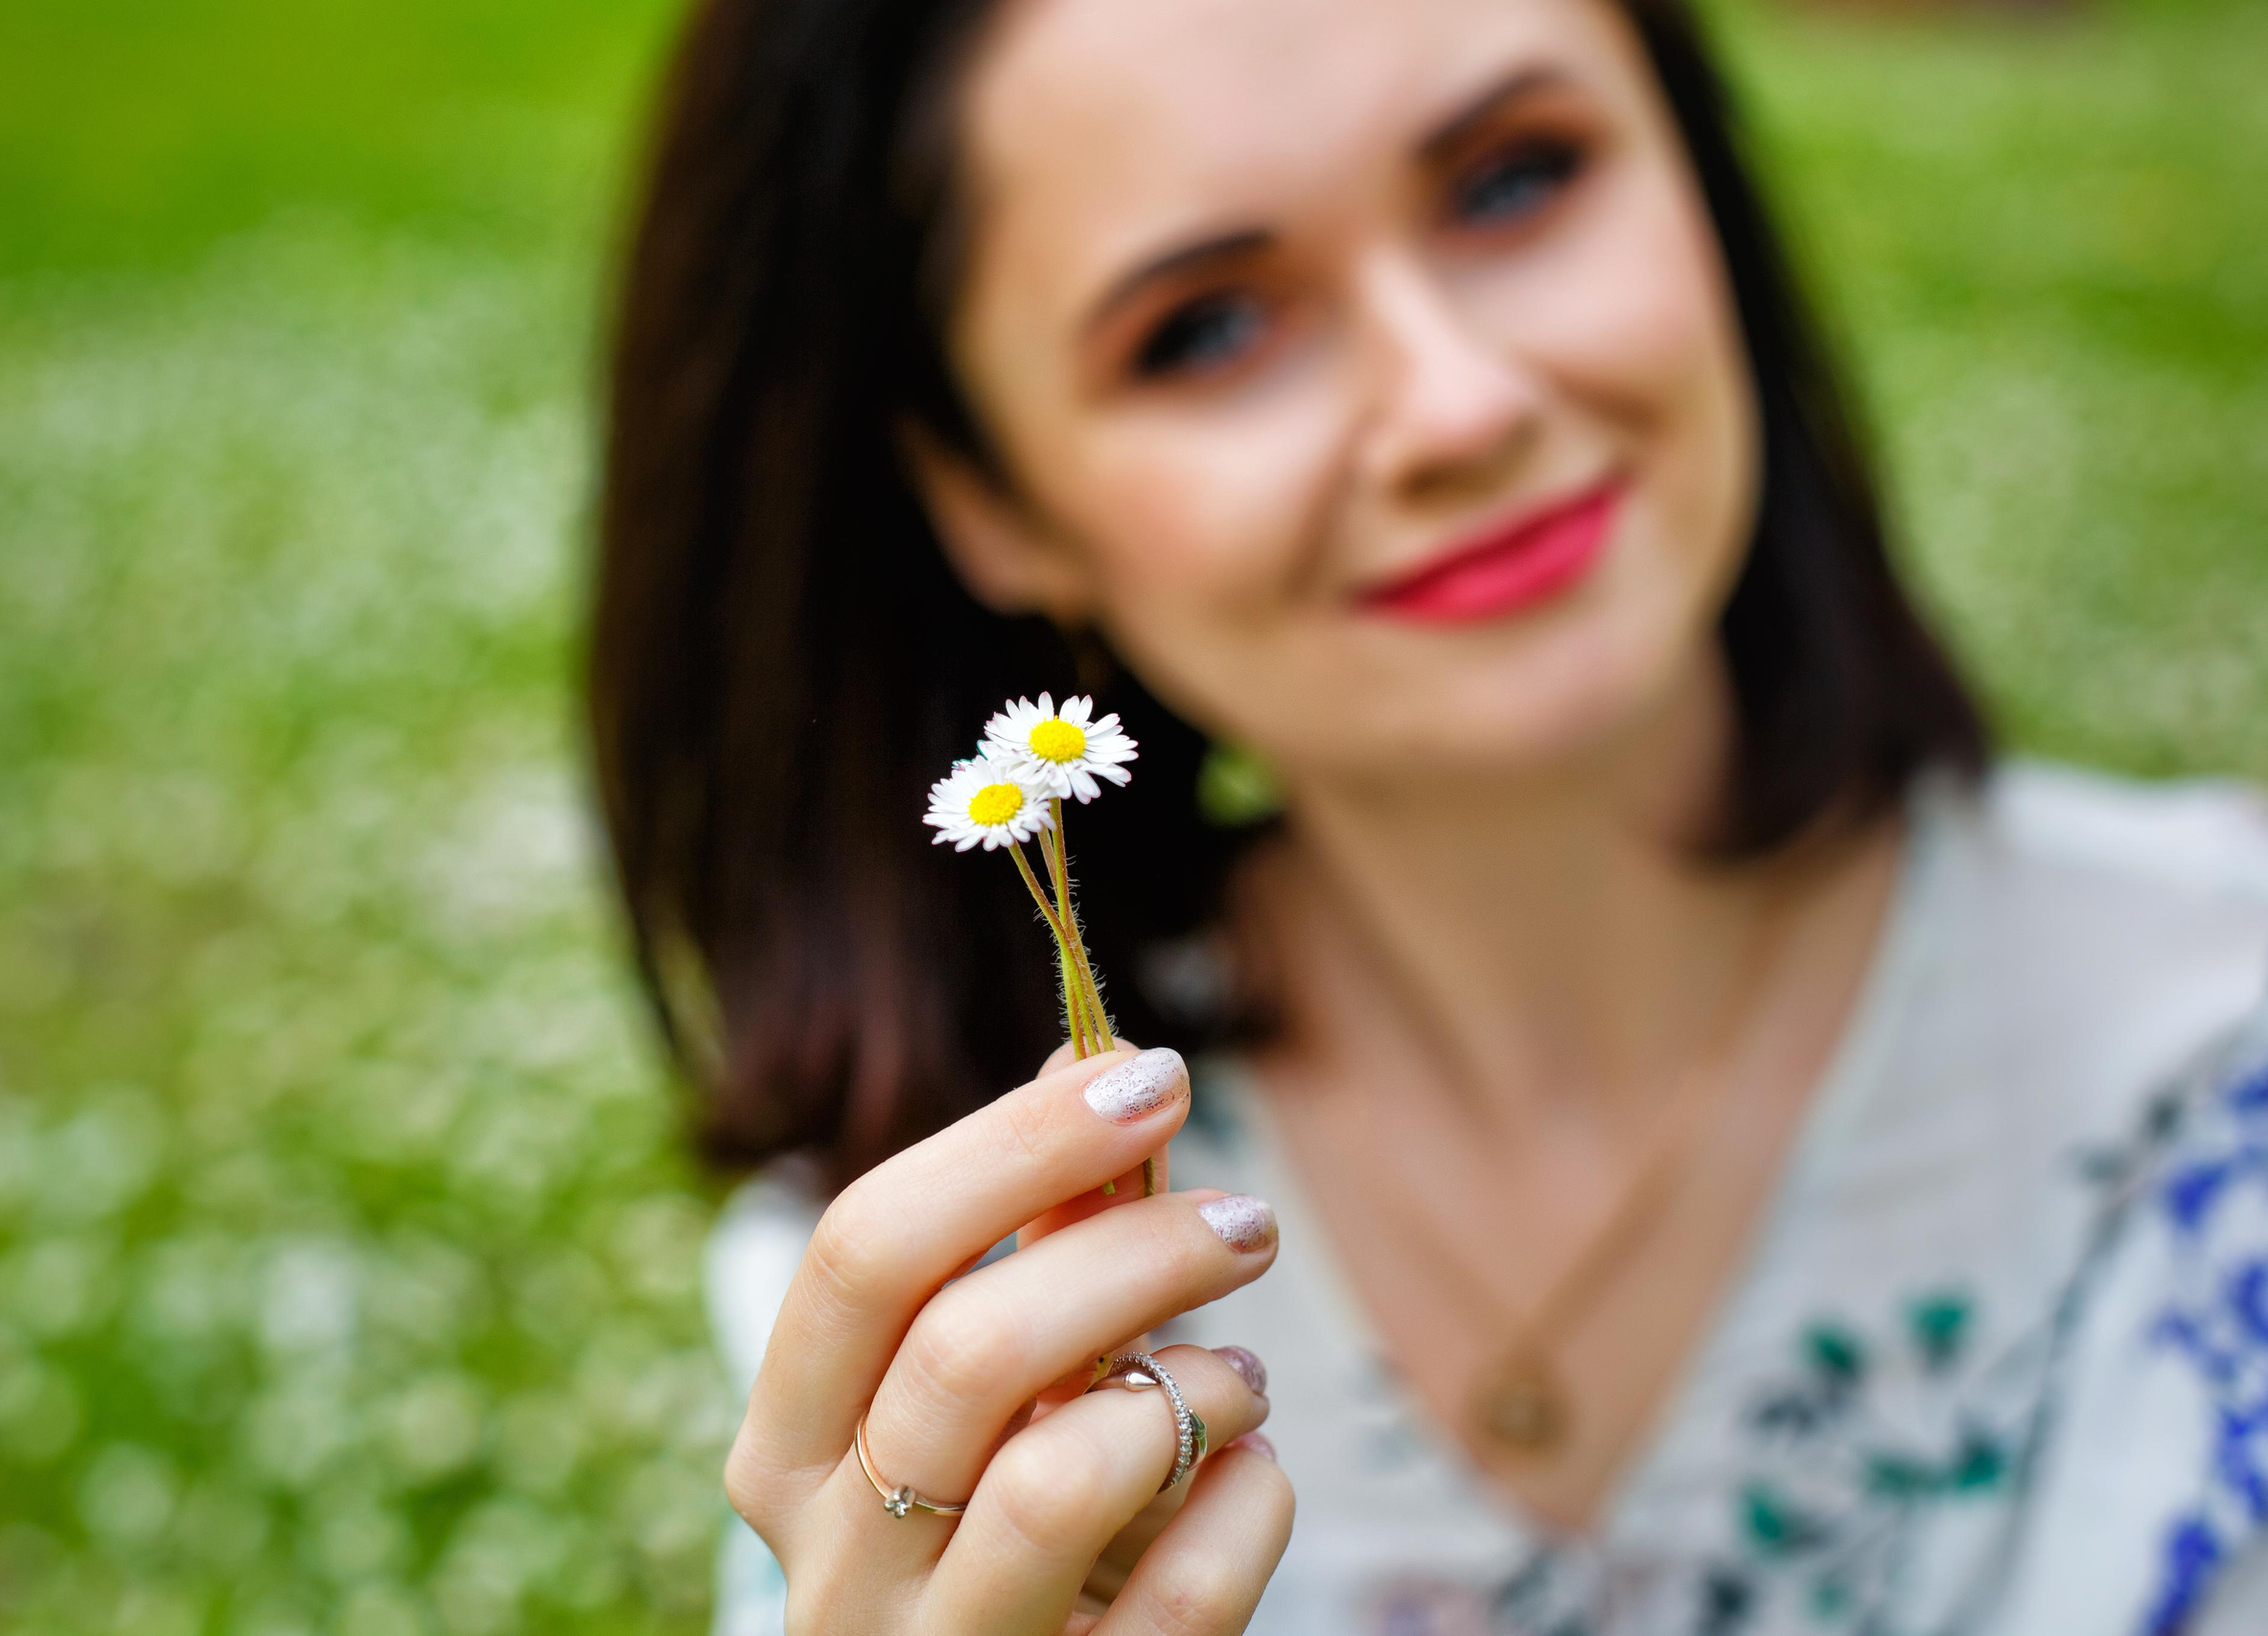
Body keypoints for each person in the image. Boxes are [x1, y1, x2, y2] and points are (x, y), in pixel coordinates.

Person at [585, 0, 2268, 1628]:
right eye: (1206, 328)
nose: (1460, 406)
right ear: (988, 498)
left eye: (1516, 178)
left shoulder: (2218, 1054)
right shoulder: (950, 1314)